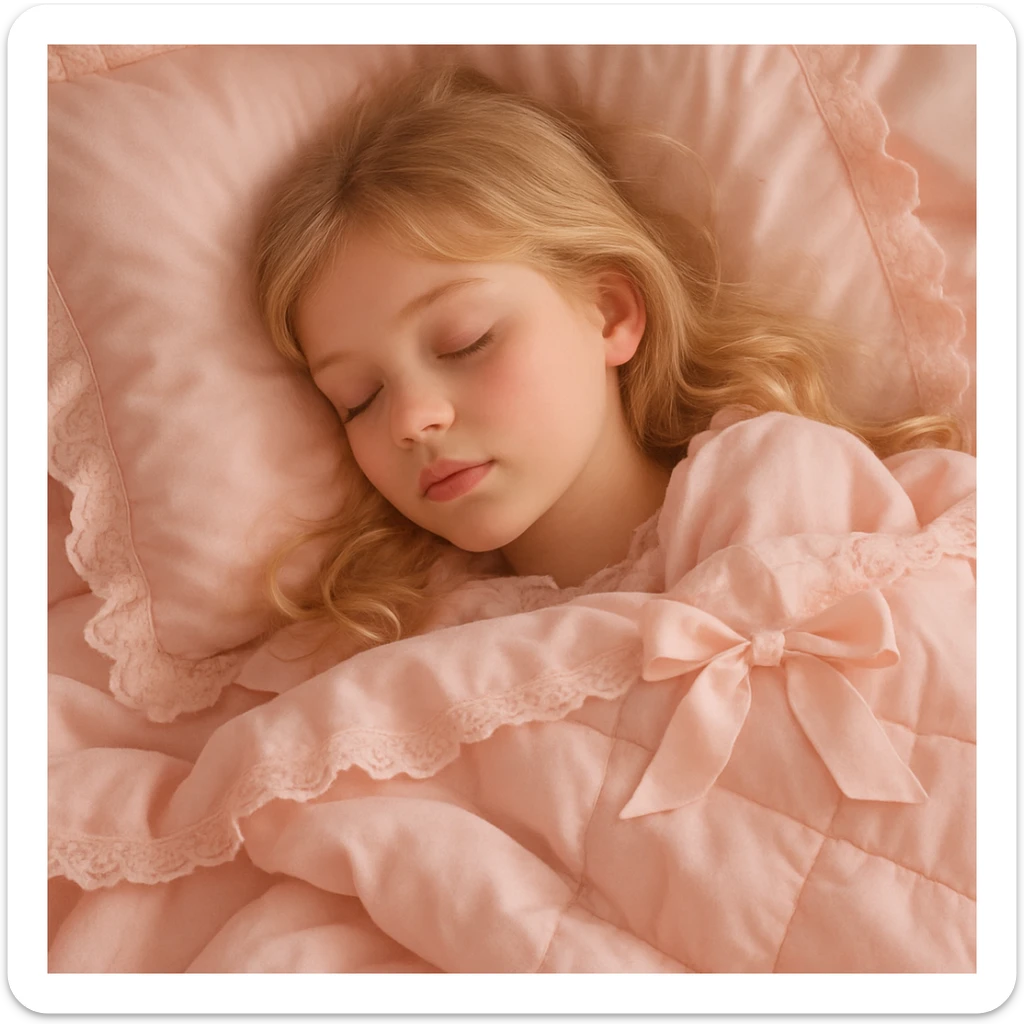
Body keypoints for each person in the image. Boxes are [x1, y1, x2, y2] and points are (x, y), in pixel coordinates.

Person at [253, 63, 964, 653]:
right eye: (358, 398)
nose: (411, 419)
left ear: (612, 313)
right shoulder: (425, 645)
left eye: (465, 341)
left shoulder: (774, 486)